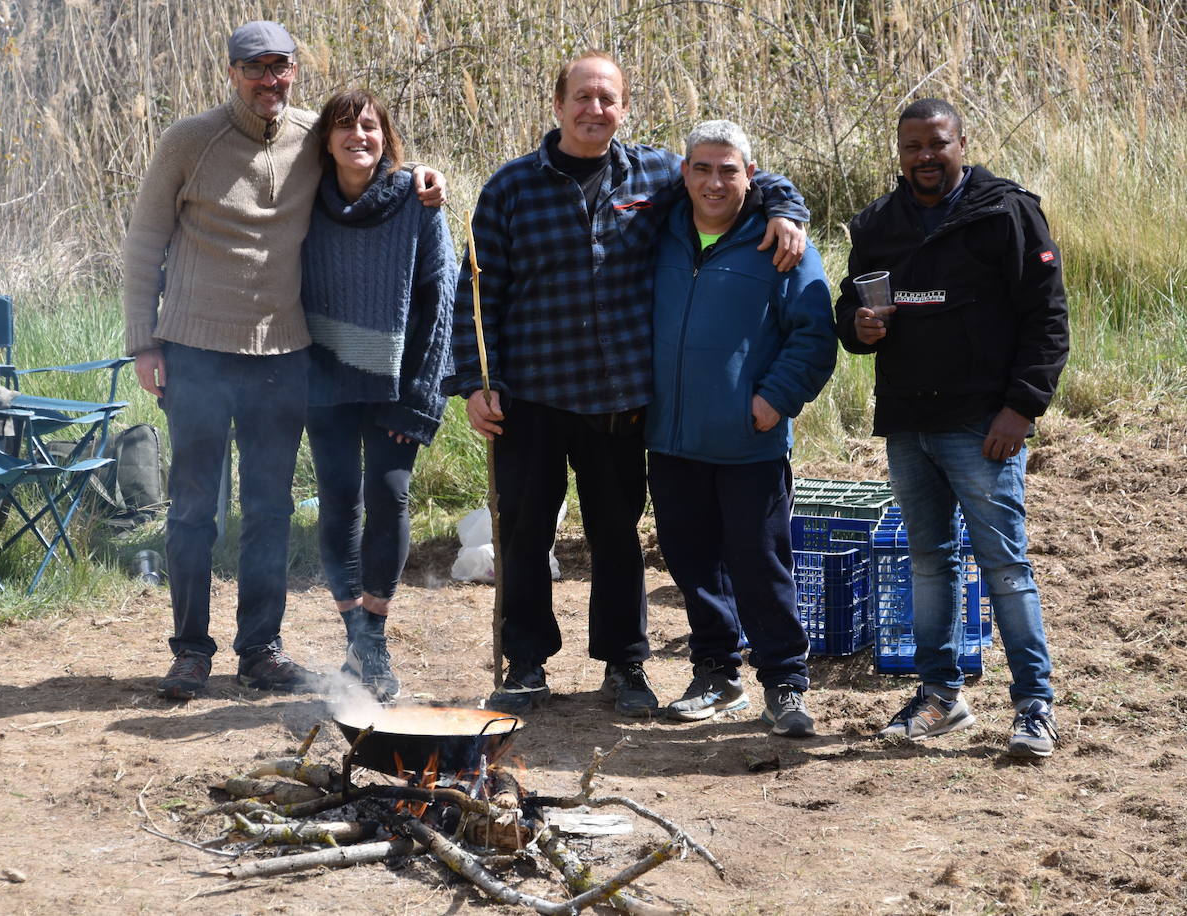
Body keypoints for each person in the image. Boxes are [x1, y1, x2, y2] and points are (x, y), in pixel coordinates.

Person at [444, 49, 810, 717]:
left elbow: (734, 174)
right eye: (582, 97)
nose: (595, 110)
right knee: (525, 532)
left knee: (618, 536)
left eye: (608, 99)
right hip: (530, 395)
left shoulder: (657, 174)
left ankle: (625, 665)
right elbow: (475, 295)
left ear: (624, 108)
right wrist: (474, 383)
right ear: (557, 106)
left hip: (620, 399)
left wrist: (788, 206)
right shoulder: (510, 188)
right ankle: (525, 663)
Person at [122, 21, 444, 700]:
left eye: (282, 67)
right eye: (256, 67)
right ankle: (189, 650)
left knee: (268, 510)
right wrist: (142, 343)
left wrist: (423, 180)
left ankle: (261, 651)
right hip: (196, 352)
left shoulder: (310, 138)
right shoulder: (188, 139)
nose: (270, 79)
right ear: (233, 72)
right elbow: (145, 243)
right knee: (193, 510)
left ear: (296, 71)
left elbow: (368, 174)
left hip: (282, 355)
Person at [835, 98, 1068, 757]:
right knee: (929, 564)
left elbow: (1047, 319)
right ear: (899, 153)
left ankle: (1034, 707)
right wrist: (858, 325)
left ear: (962, 143)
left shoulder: (1006, 213)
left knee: (1004, 564)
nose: (925, 157)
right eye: (912, 147)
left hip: (983, 424)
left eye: (937, 144)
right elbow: (850, 306)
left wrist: (1021, 408)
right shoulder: (880, 224)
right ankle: (940, 696)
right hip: (909, 423)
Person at [645, 121, 836, 737]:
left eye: (729, 169)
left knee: (759, 562)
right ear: (684, 173)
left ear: (750, 176)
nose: (714, 181)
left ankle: (784, 682)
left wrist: (773, 400)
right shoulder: (661, 230)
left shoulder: (781, 244)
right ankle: (716, 675)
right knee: (691, 561)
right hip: (671, 436)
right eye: (702, 168)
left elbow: (814, 333)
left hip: (747, 439)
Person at [299, 89, 457, 703]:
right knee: (337, 502)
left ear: (385, 136)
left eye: (368, 126)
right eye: (343, 126)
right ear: (325, 140)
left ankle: (376, 634)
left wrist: (417, 400)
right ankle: (356, 639)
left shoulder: (417, 201)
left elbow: (438, 302)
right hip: (325, 381)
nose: (356, 136)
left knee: (388, 498)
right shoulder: (303, 200)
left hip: (394, 387)